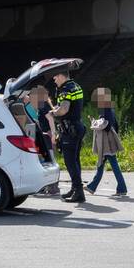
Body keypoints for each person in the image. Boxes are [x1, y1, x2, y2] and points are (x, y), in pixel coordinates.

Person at [48, 70, 86, 202]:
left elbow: (64, 109)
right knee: (75, 160)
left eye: (55, 76)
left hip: (70, 129)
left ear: (61, 75)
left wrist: (52, 113)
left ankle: (79, 192)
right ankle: (75, 189)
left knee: (70, 162)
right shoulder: (75, 86)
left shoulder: (66, 89)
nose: (54, 79)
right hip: (77, 127)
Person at [86, 88, 127, 196]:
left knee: (112, 165)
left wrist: (95, 123)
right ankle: (92, 187)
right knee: (101, 164)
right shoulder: (109, 108)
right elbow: (115, 125)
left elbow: (106, 126)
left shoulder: (105, 109)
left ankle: (122, 189)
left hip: (106, 143)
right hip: (108, 142)